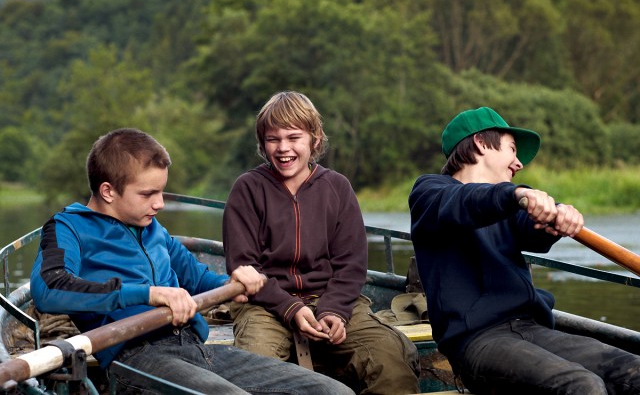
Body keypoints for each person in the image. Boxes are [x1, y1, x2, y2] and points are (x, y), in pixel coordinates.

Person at [30, 128, 354, 395]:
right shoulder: (67, 228)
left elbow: (200, 280)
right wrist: (149, 294)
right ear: (108, 191)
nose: (159, 204)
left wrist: (236, 285)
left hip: (197, 348)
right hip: (136, 357)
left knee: (334, 392)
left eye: (162, 193)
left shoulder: (153, 230)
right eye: (147, 194)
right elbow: (49, 289)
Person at [408, 106, 640, 394]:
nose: (518, 163)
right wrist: (517, 194)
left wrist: (558, 217)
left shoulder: (511, 202)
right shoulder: (431, 192)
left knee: (634, 371)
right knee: (583, 386)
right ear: (481, 142)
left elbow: (532, 232)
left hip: (532, 329)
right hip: (477, 342)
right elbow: (469, 201)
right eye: (512, 149)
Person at [223, 91, 420, 394]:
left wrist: (334, 312)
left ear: (314, 139)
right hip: (266, 306)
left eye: (293, 137)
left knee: (391, 362)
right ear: (262, 144)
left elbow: (351, 265)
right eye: (273, 139)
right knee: (253, 370)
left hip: (335, 300)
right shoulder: (247, 188)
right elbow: (244, 266)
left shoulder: (337, 187)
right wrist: (290, 308)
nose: (283, 148)